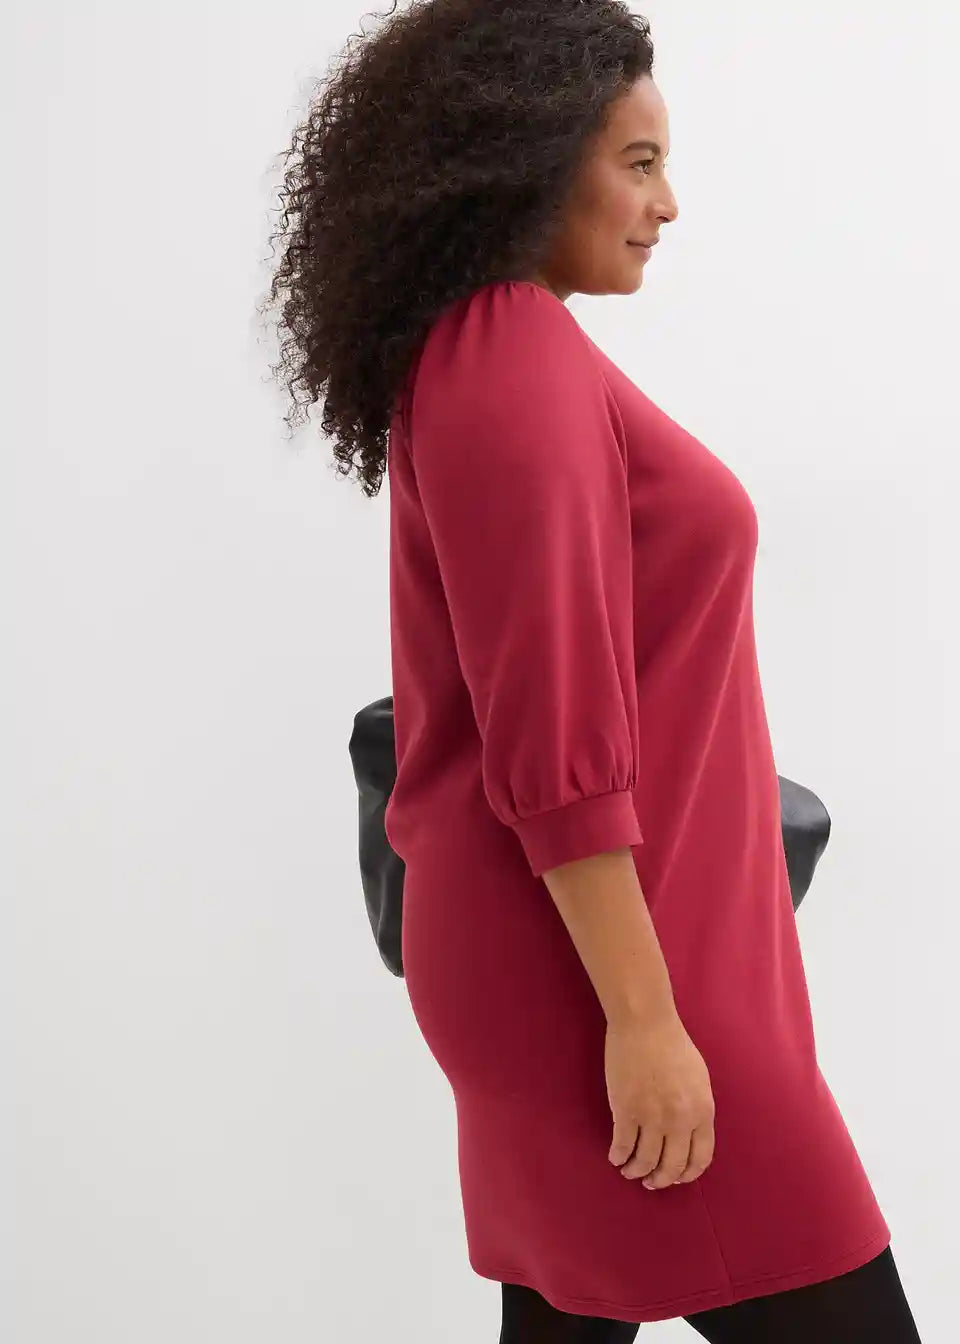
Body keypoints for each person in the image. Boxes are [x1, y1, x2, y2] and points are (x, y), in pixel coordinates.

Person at [262, 1, 923, 1338]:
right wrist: (645, 1022)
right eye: (637, 163)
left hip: (608, 956)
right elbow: (550, 729)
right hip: (612, 975)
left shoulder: (502, 352)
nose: (668, 204)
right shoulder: (507, 353)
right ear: (528, 160)